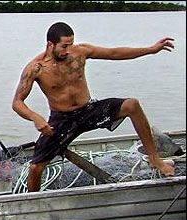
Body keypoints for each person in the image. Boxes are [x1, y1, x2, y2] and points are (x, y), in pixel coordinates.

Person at [11, 21, 175, 192]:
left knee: (132, 105)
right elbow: (17, 102)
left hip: (88, 110)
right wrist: (35, 117)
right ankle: (34, 202)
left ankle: (155, 159)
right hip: (61, 119)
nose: (68, 50)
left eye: (71, 44)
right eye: (64, 46)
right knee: (35, 168)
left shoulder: (80, 52)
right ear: (50, 44)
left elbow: (114, 53)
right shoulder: (35, 68)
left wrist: (150, 49)